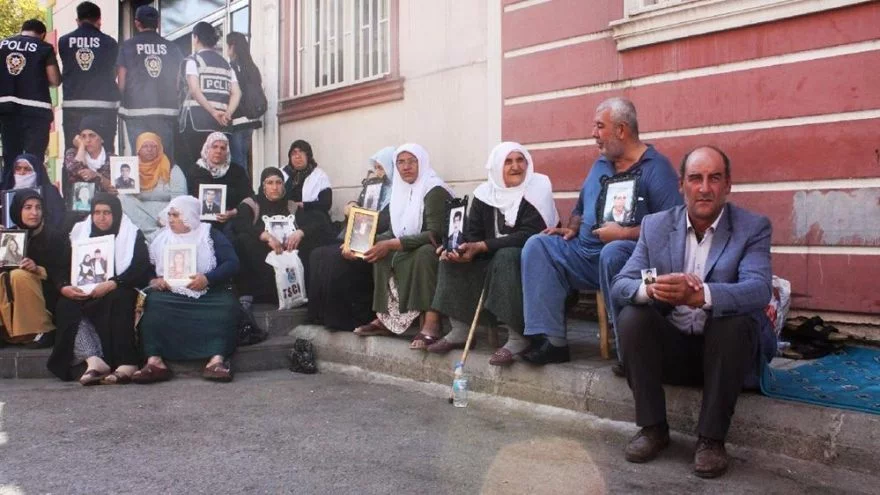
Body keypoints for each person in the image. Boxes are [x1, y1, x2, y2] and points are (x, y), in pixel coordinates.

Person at [611, 146, 774, 479]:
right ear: (681, 185)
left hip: (727, 357)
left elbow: (758, 289)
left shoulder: (752, 227)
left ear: (728, 185)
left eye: (715, 178)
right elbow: (620, 284)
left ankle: (711, 440)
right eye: (695, 178)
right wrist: (651, 290)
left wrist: (702, 296)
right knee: (632, 315)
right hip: (676, 352)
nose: (704, 188)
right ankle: (653, 429)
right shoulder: (655, 225)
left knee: (736, 320)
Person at [519, 97, 682, 365]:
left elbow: (672, 227)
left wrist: (625, 235)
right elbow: (581, 207)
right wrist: (571, 227)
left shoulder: (656, 168)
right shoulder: (600, 165)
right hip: (584, 255)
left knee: (613, 251)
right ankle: (553, 341)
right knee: (538, 245)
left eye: (599, 127)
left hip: (630, 260)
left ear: (621, 130)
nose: (593, 134)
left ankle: (629, 348)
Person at [427, 142, 558, 363]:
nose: (516, 167)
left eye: (520, 160)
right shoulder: (484, 194)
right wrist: (456, 246)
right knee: (450, 259)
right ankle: (459, 330)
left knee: (506, 256)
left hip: (529, 265)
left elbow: (530, 234)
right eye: (508, 161)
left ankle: (518, 337)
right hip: (491, 262)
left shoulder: (538, 187)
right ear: (497, 166)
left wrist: (482, 247)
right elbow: (473, 233)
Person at [353, 144, 453, 344]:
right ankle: (386, 319)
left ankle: (432, 323)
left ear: (422, 163)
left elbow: (435, 233)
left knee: (424, 254)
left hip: (434, 246)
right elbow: (394, 230)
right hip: (408, 245)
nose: (406, 167)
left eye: (412, 161)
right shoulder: (399, 190)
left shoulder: (434, 189)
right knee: (380, 250)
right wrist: (359, 245)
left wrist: (392, 244)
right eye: (400, 162)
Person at [48, 193, 152, 385]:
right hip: (84, 290)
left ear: (116, 214)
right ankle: (94, 360)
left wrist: (114, 282)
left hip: (119, 287)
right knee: (65, 305)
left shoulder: (130, 233)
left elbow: (141, 267)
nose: (101, 217)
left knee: (119, 298)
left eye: (107, 212)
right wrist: (64, 288)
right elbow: (61, 266)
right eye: (96, 212)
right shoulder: (79, 231)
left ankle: (127, 362)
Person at [135, 196, 240, 384]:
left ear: (189, 216)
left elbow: (232, 263)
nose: (171, 219)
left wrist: (208, 278)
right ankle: (155, 361)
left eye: (176, 215)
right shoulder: (161, 238)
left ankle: (216, 360)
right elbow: (147, 267)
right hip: (170, 294)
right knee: (152, 304)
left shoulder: (210, 235)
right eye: (170, 215)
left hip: (207, 292)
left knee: (226, 305)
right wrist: (155, 280)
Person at [308, 146, 394, 331]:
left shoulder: (397, 193)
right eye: (376, 167)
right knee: (318, 254)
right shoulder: (373, 188)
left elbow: (385, 222)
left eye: (382, 167)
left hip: (377, 240)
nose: (378, 172)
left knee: (336, 259)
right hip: (358, 235)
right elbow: (359, 212)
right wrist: (352, 205)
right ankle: (319, 315)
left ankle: (346, 319)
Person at [0, 190, 67, 348]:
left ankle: (40, 330)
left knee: (19, 274)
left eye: (38, 207)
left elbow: (64, 271)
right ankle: (7, 330)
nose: (34, 213)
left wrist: (38, 269)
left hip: (47, 297)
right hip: (12, 298)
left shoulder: (55, 237)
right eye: (28, 207)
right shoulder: (10, 236)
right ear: (18, 210)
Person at [117, 6, 183, 157]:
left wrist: (120, 101)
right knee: (164, 157)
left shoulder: (127, 47)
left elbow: (121, 79)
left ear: (137, 23)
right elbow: (178, 81)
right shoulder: (172, 48)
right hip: (165, 110)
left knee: (141, 156)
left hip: (135, 111)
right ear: (158, 23)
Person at [176, 22, 241, 174]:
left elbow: (194, 89)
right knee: (218, 167)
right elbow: (237, 92)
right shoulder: (226, 65)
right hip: (222, 125)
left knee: (196, 167)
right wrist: (228, 113)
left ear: (195, 38)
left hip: (196, 122)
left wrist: (212, 112)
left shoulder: (193, 61)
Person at [0, 19, 61, 171]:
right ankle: (33, 193)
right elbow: (54, 79)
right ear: (42, 34)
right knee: (34, 160)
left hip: (6, 108)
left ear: (22, 30)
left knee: (10, 158)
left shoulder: (2, 45)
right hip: (36, 110)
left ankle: (10, 193)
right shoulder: (44, 47)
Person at [58, 1, 119, 153]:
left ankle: (73, 177)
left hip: (73, 105)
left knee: (73, 150)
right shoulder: (110, 42)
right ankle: (103, 177)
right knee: (104, 151)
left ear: (77, 21)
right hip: (103, 105)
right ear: (99, 20)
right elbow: (114, 71)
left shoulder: (64, 41)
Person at [278, 139, 337, 287]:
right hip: (286, 218)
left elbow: (326, 203)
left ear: (308, 155)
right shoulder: (282, 174)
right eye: (294, 153)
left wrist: (304, 205)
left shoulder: (319, 175)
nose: (297, 157)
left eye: (301, 153)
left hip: (312, 220)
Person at [118, 132, 187, 241]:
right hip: (140, 215)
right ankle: (155, 234)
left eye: (153, 146)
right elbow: (127, 198)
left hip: (166, 215)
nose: (149, 149)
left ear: (159, 148)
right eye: (145, 146)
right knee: (121, 198)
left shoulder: (172, 168)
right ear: (138, 149)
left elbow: (179, 198)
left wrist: (166, 216)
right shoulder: (130, 168)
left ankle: (152, 236)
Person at [186, 132, 251, 227]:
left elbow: (249, 198)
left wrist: (233, 212)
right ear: (207, 149)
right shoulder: (195, 170)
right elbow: (188, 199)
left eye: (223, 148)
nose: (218, 151)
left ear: (227, 151)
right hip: (200, 223)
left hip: (231, 222)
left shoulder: (237, 171)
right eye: (214, 146)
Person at [226, 32, 263, 174]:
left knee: (237, 162)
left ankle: (242, 193)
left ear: (232, 47)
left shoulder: (231, 68)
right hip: (251, 119)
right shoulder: (252, 67)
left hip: (237, 120)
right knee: (244, 160)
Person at [0, 153, 66, 230]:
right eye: (18, 169)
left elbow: (58, 217)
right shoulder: (4, 190)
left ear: (36, 170)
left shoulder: (50, 192)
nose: (22, 173)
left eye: (27, 169)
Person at [63, 115, 115, 203]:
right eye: (83, 136)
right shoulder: (72, 154)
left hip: (105, 208)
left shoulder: (112, 159)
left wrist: (96, 175)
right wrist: (81, 146)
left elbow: (114, 188)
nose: (87, 140)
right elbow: (75, 168)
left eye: (92, 136)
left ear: (101, 139)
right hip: (79, 209)